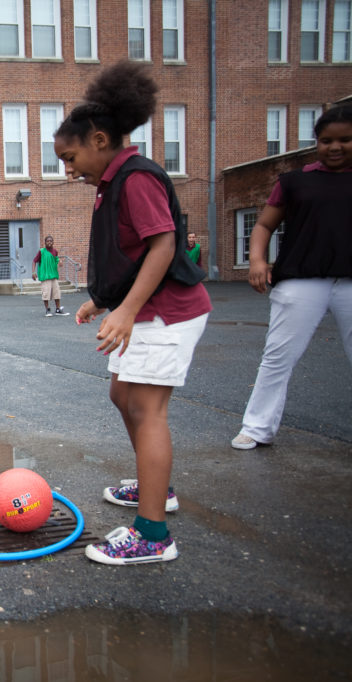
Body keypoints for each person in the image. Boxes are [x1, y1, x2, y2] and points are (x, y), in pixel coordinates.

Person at [53, 61, 211, 565]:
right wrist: (102, 301)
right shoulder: (111, 183)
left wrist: (126, 311)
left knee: (148, 410)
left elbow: (163, 246)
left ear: (99, 140)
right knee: (123, 393)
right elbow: (129, 253)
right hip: (145, 309)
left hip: (166, 311)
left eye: (70, 156)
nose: (68, 169)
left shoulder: (136, 177)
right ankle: (154, 489)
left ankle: (153, 534)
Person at [231, 105, 352, 450]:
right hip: (302, 279)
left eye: (345, 139)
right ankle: (256, 427)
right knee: (278, 355)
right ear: (316, 142)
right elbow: (265, 224)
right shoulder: (296, 181)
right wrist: (256, 259)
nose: (335, 147)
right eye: (327, 140)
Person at [32, 235, 69, 316]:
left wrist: (60, 262)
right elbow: (34, 261)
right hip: (45, 277)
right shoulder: (41, 251)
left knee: (57, 293)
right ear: (45, 242)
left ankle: (58, 309)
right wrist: (33, 272)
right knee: (46, 294)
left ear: (53, 242)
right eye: (47, 241)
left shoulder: (55, 251)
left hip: (54, 276)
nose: (49, 242)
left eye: (50, 241)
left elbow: (56, 260)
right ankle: (47, 310)